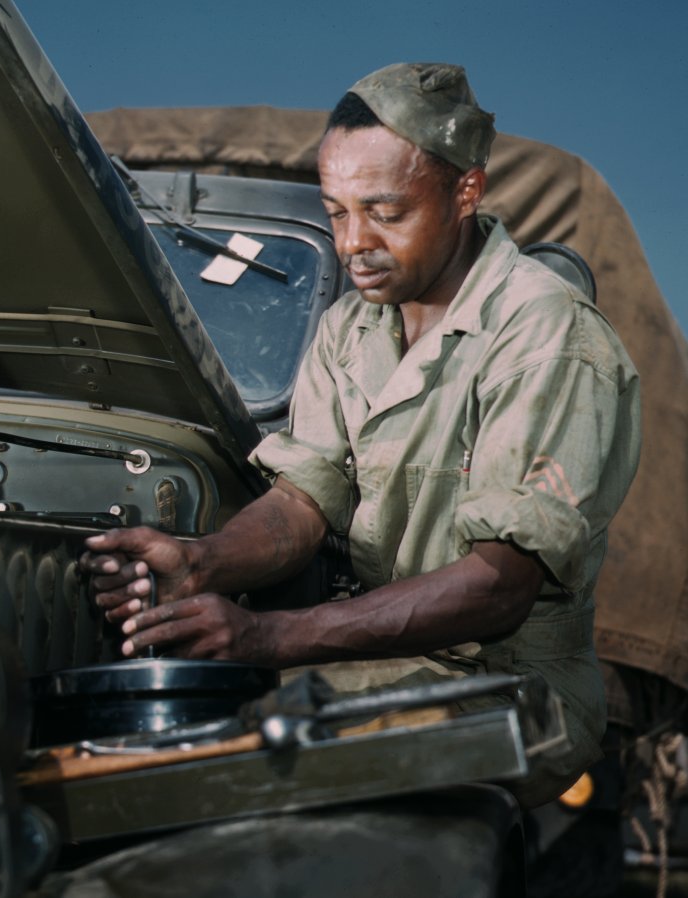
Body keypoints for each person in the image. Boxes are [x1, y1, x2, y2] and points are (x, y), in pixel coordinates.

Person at [80, 62, 641, 806]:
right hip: (382, 663)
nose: (352, 243)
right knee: (150, 734)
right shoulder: (352, 327)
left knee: (221, 772)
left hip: (511, 692)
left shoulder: (546, 335)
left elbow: (500, 587)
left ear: (465, 193)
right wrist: (202, 560)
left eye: (385, 211)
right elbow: (303, 499)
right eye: (337, 212)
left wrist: (266, 639)